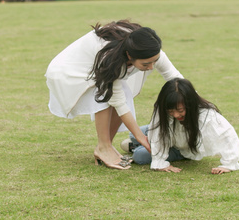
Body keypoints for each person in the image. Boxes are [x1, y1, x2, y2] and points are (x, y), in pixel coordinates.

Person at [45, 20, 183, 170]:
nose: (151, 67)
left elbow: (176, 79)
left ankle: (106, 146)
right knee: (105, 94)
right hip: (69, 70)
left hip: (100, 68)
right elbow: (119, 104)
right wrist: (140, 137)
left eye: (154, 61)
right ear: (129, 55)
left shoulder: (150, 51)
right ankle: (103, 148)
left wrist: (197, 103)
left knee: (122, 92)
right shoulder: (111, 59)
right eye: (145, 64)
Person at [122, 78, 239, 174]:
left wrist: (229, 164)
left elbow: (227, 136)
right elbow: (159, 132)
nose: (175, 115)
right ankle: (136, 143)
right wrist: (159, 161)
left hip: (181, 148)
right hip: (168, 137)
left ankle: (134, 147)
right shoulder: (163, 108)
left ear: (189, 105)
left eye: (180, 110)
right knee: (134, 134)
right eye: (171, 111)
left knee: (139, 156)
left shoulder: (206, 115)